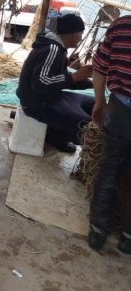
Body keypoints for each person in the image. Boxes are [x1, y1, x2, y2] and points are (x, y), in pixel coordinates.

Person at [16, 14, 94, 153]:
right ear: (74, 33)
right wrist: (75, 76)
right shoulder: (51, 49)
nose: (81, 38)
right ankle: (54, 136)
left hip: (53, 97)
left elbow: (59, 81)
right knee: (87, 127)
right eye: (81, 33)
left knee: (94, 105)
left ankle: (55, 130)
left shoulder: (58, 49)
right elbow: (40, 83)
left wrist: (91, 83)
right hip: (38, 104)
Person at [88, 15, 131, 254]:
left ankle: (98, 232)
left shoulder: (120, 26)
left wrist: (99, 101)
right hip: (119, 110)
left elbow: (100, 67)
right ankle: (128, 238)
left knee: (109, 169)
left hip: (119, 110)